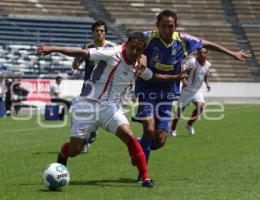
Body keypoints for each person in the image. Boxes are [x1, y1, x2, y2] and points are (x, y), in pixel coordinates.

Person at [36, 32, 186, 188]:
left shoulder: (138, 65)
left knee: (129, 136)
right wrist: (51, 48)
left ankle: (145, 178)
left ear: (143, 51)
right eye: (132, 48)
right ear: (127, 44)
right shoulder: (111, 52)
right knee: (75, 149)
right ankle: (63, 153)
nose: (134, 52)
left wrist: (174, 77)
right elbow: (83, 53)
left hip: (110, 108)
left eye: (139, 50)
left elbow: (152, 76)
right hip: (87, 105)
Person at [133, 10, 251, 169]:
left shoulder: (183, 40)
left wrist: (232, 53)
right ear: (157, 25)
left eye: (171, 26)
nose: (167, 30)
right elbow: (130, 45)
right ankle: (143, 173)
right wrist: (139, 59)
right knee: (149, 127)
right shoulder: (147, 37)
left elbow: (207, 44)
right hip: (147, 88)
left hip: (167, 91)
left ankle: (138, 146)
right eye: (163, 26)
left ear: (176, 26)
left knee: (159, 140)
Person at [72, 20, 117, 145]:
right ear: (92, 32)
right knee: (81, 114)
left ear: (105, 33)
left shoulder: (112, 47)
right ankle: (83, 138)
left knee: (101, 113)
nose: (99, 33)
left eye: (101, 31)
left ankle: (92, 132)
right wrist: (76, 60)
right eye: (96, 31)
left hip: (106, 89)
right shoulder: (88, 47)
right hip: (88, 88)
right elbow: (75, 66)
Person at [171, 48, 211, 136]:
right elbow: (182, 71)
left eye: (204, 53)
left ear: (207, 54)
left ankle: (189, 124)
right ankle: (173, 129)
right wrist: (184, 81)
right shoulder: (192, 62)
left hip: (197, 90)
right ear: (197, 53)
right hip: (187, 89)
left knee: (201, 107)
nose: (202, 54)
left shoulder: (208, 64)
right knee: (180, 110)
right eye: (200, 53)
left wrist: (207, 84)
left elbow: (206, 75)